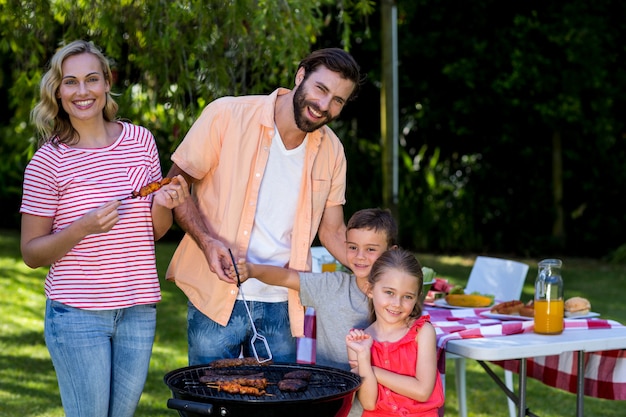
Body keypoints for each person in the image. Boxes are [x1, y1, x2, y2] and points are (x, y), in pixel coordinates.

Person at [20, 40, 189, 417]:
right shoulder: (48, 161)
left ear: (106, 83)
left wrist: (163, 205)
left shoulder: (140, 141)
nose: (83, 91)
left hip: (138, 309)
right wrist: (82, 227)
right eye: (71, 82)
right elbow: (31, 253)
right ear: (58, 91)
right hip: (78, 314)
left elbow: (153, 232)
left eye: (92, 79)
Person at [165, 48, 362, 364]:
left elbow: (333, 232)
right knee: (211, 403)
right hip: (217, 295)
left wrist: (383, 272)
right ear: (300, 76)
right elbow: (175, 186)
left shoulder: (333, 151)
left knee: (276, 406)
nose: (325, 105)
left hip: (282, 303)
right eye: (321, 89)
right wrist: (206, 241)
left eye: (337, 100)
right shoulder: (227, 115)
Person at [231, 207, 398, 370]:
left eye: (370, 249)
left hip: (380, 390)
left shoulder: (397, 297)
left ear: (391, 252)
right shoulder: (331, 286)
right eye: (353, 247)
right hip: (332, 387)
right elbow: (287, 277)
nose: (360, 256)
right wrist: (253, 270)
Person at [346, 249, 445, 417]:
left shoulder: (422, 332)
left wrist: (372, 370)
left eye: (407, 297)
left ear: (417, 298)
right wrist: (363, 356)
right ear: (370, 289)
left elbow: (422, 391)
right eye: (389, 292)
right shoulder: (360, 341)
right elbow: (369, 404)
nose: (397, 303)